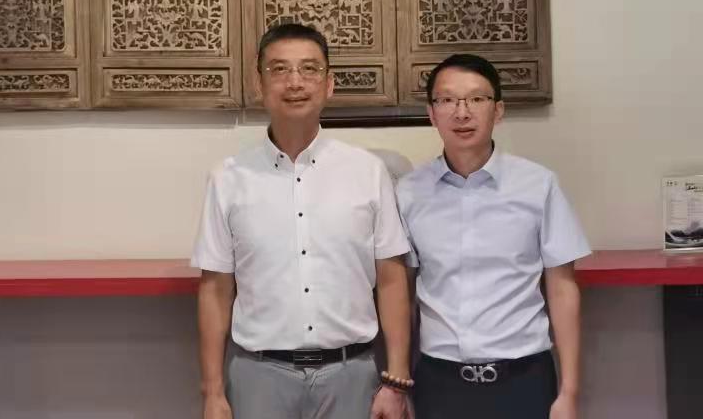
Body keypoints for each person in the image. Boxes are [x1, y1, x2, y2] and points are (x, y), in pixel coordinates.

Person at [192, 23, 413, 419]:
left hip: (352, 373)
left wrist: (396, 381)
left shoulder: (368, 171)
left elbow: (392, 278)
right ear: (259, 84)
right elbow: (215, 290)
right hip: (259, 376)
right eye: (279, 69)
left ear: (329, 84)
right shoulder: (228, 178)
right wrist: (213, 392)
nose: (295, 82)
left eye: (309, 69)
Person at [396, 53, 591, 419]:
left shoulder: (538, 185)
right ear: (431, 114)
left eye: (476, 99)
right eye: (447, 100)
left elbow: (563, 289)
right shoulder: (408, 193)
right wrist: (400, 384)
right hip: (440, 382)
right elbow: (402, 296)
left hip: (525, 379)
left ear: (498, 111)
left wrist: (569, 392)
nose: (462, 112)